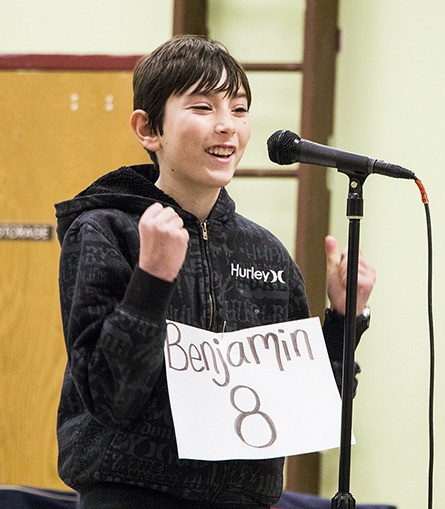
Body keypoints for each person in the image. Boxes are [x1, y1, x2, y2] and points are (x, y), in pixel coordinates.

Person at [55, 35, 376, 509]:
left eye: (240, 109)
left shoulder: (266, 253)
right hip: (132, 496)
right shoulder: (107, 231)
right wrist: (152, 279)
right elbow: (111, 396)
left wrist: (345, 318)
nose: (227, 126)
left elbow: (305, 408)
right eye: (203, 108)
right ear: (149, 129)